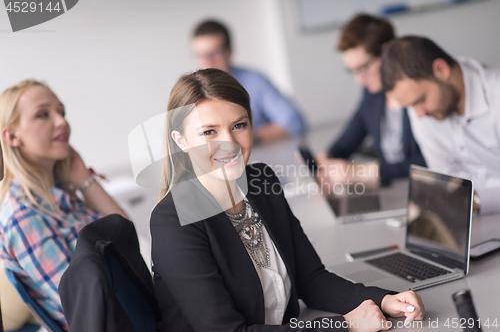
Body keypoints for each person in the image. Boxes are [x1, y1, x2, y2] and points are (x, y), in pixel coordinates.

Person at [150, 68, 425, 331]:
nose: (229, 143)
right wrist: (346, 325)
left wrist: (385, 300)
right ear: (181, 140)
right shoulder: (173, 220)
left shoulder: (260, 182)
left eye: (239, 125)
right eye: (209, 132)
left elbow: (311, 280)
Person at [0, 80, 127, 330]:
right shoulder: (23, 216)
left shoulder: (61, 196)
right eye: (43, 114)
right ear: (12, 136)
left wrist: (83, 178)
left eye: (62, 112)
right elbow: (85, 305)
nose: (61, 122)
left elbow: (126, 239)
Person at [380, 36, 500, 215]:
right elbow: (449, 180)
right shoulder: (421, 110)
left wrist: (475, 199)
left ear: (441, 70)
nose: (419, 114)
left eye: (420, 100)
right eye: (411, 106)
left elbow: (459, 194)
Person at [316, 14, 425, 187]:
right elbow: (350, 137)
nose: (359, 78)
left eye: (363, 67)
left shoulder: (418, 92)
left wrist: (368, 172)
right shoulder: (372, 94)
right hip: (396, 191)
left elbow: (432, 162)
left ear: (386, 51)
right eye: (352, 71)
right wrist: (325, 159)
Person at [191, 19, 306, 144]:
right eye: (200, 55)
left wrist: (244, 137)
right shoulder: (189, 91)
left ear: (229, 51)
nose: (207, 62)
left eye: (214, 53)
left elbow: (294, 122)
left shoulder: (254, 81)